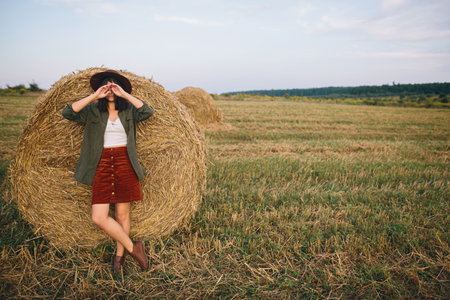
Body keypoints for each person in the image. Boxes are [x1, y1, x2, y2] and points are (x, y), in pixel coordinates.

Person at [62, 70, 154, 273]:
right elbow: (68, 112)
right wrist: (95, 96)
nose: (110, 89)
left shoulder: (129, 111)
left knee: (122, 215)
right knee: (99, 217)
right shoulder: (93, 111)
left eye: (114, 85)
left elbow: (148, 111)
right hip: (101, 164)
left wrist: (124, 94)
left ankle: (119, 257)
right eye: (106, 85)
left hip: (125, 164)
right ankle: (134, 247)